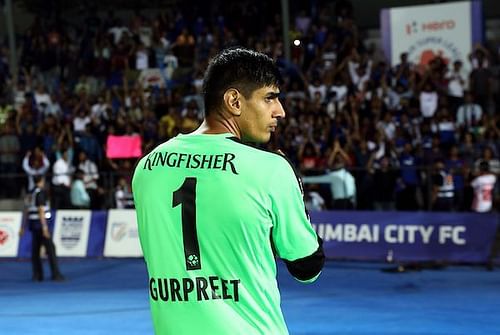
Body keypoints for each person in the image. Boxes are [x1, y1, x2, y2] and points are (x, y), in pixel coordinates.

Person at [132, 47, 324, 335]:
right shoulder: (270, 169)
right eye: (269, 97)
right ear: (234, 100)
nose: (280, 111)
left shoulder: (148, 167)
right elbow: (307, 268)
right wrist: (297, 198)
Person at [20, 175, 65, 282]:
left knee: (35, 251)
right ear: (42, 181)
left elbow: (26, 211)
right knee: (51, 249)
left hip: (33, 224)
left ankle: (37, 275)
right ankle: (56, 275)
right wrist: (45, 227)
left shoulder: (30, 193)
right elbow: (41, 210)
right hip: (40, 225)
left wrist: (23, 226)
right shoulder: (40, 193)